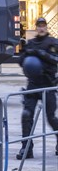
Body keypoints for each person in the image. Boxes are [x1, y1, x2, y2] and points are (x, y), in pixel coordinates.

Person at [16, 17, 58, 160]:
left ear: (46, 28)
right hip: (33, 85)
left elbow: (55, 59)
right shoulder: (30, 43)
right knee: (26, 115)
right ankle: (26, 148)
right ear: (36, 28)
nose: (41, 28)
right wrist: (26, 53)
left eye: (43, 26)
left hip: (48, 85)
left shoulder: (53, 42)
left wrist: (41, 54)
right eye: (39, 26)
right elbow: (21, 62)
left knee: (52, 117)